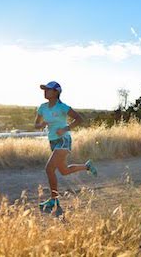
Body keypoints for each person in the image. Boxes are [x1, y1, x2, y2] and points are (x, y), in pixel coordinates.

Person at [35, 81, 97, 210]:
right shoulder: (42, 107)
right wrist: (41, 125)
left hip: (63, 140)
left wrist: (65, 129)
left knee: (49, 169)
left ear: (56, 92)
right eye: (44, 89)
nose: (45, 91)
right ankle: (87, 166)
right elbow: (36, 124)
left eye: (48, 89)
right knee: (64, 171)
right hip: (52, 141)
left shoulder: (62, 107)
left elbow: (79, 119)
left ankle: (54, 201)